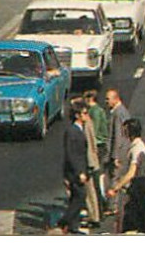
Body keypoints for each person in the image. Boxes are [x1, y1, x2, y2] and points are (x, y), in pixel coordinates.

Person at [52, 99, 92, 234]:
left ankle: (72, 225)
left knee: (75, 197)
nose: (87, 116)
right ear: (77, 115)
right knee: (80, 196)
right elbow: (71, 154)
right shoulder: (72, 131)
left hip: (79, 170)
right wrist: (79, 172)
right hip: (75, 172)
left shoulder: (79, 130)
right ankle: (64, 221)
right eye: (84, 113)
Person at [113, 118, 145, 233]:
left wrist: (117, 186)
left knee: (132, 222)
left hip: (139, 187)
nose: (123, 133)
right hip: (138, 186)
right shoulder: (135, 146)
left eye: (125, 130)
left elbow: (131, 172)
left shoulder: (137, 149)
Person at [105, 90, 133, 212]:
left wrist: (115, 156)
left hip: (120, 152)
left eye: (108, 99)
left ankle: (113, 206)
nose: (106, 102)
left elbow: (118, 136)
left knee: (115, 178)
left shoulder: (118, 113)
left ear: (115, 99)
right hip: (123, 150)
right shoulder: (122, 111)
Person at [85, 90, 111, 216]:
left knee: (97, 178)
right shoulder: (99, 110)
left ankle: (101, 205)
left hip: (98, 146)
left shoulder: (94, 112)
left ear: (90, 99)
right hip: (101, 145)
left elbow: (92, 132)